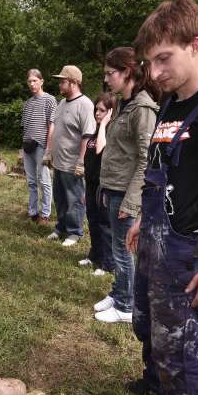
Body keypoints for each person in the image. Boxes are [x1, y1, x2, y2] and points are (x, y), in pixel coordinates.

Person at [126, 0, 198, 395]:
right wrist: (143, 219)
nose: (155, 72)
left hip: (188, 250)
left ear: (195, 45)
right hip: (154, 238)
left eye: (164, 59)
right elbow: (160, 170)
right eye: (149, 63)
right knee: (147, 321)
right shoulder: (169, 108)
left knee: (182, 342)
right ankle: (154, 381)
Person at [94, 47, 160, 323]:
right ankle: (118, 290)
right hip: (112, 187)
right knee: (115, 246)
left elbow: (147, 160)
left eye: (111, 74)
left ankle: (126, 306)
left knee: (123, 251)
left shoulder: (142, 109)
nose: (107, 80)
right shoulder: (124, 103)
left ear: (127, 72)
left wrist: (132, 201)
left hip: (125, 193)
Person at [44, 65, 96, 246]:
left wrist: (81, 162)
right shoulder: (61, 103)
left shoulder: (85, 105)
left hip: (73, 163)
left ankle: (74, 232)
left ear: (73, 82)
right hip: (59, 162)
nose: (59, 85)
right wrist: (49, 152)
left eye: (62, 81)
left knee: (74, 199)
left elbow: (87, 135)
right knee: (59, 197)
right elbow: (55, 128)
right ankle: (61, 227)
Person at [79, 92, 117, 275]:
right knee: (92, 221)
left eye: (102, 110)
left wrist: (104, 124)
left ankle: (107, 263)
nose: (97, 113)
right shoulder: (95, 132)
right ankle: (94, 255)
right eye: (96, 109)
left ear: (111, 112)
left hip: (105, 186)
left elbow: (101, 148)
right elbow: (90, 160)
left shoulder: (110, 132)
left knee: (105, 224)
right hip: (91, 185)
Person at [21, 69, 57, 224]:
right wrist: (22, 147)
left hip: (41, 145)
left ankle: (45, 214)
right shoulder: (27, 103)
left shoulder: (50, 100)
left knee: (44, 180)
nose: (32, 84)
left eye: (35, 80)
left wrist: (48, 149)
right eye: (29, 81)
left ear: (42, 81)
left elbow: (52, 125)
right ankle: (33, 211)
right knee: (31, 181)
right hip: (27, 146)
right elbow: (25, 127)